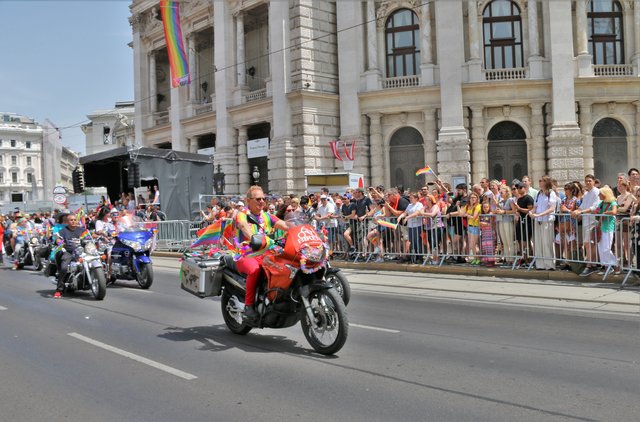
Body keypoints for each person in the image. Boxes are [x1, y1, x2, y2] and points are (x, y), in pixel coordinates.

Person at [234, 186, 289, 323]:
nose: (262, 202)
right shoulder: (242, 215)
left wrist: (305, 229)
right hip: (246, 254)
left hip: (266, 253)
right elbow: (244, 227)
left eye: (264, 199)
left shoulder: (266, 216)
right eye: (258, 199)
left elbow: (285, 225)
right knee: (255, 270)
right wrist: (253, 238)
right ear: (248, 200)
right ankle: (249, 306)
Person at [571, 175, 600, 275]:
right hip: (586, 221)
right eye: (586, 181)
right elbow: (582, 207)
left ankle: (589, 265)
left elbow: (594, 207)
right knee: (588, 244)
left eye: (590, 181)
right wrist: (575, 211)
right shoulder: (586, 194)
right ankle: (593, 265)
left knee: (588, 243)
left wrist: (580, 212)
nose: (588, 183)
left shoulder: (596, 191)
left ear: (593, 181)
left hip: (592, 221)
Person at [54, 215, 88, 298]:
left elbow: (90, 236)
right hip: (69, 252)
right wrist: (59, 241)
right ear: (67, 222)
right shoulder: (64, 231)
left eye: (75, 220)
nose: (73, 221)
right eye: (71, 220)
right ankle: (59, 290)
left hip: (83, 252)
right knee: (64, 268)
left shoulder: (82, 230)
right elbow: (58, 238)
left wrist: (96, 236)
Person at [529, 175, 558, 270]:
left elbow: (552, 208)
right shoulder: (538, 194)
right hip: (538, 221)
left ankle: (549, 264)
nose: (539, 182)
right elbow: (535, 206)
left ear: (546, 182)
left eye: (541, 180)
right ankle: (540, 264)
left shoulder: (551, 193)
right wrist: (532, 212)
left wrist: (539, 214)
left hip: (547, 221)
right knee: (538, 242)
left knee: (547, 243)